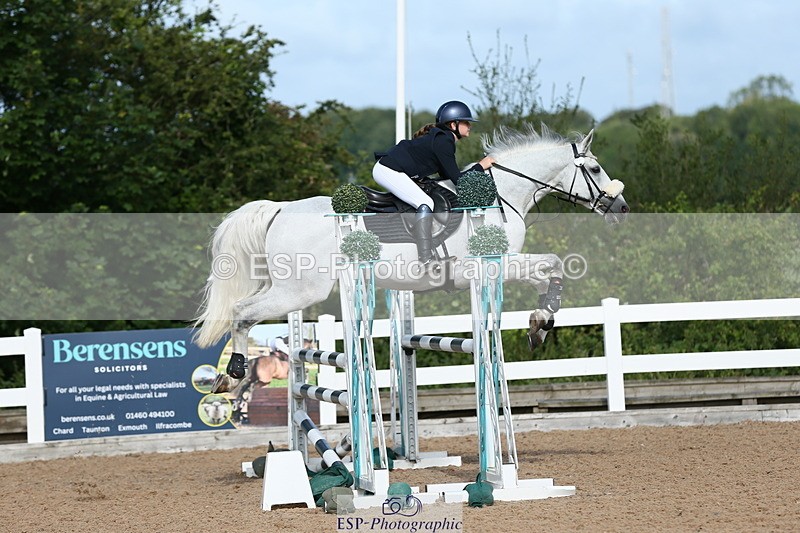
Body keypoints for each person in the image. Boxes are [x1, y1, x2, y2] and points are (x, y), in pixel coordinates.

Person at [372, 100, 495, 264]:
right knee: (425, 202)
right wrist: (481, 166)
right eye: (466, 122)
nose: (470, 126)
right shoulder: (443, 141)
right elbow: (459, 181)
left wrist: (479, 167)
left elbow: (448, 177)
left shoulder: (443, 140)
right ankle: (426, 259)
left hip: (394, 169)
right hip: (387, 170)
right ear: (453, 124)